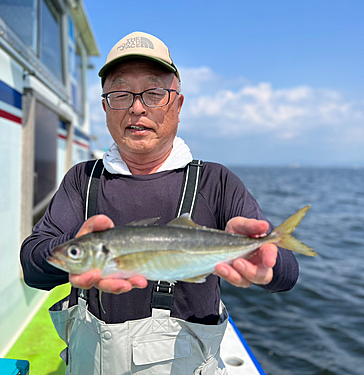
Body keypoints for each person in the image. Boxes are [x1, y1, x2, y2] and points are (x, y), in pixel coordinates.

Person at [20, 31, 299, 375]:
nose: (137, 107)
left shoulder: (216, 182)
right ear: (106, 107)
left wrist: (265, 262)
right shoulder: (83, 179)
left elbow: (287, 271)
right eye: (121, 94)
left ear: (177, 105)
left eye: (153, 93)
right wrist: (76, 250)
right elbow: (33, 264)